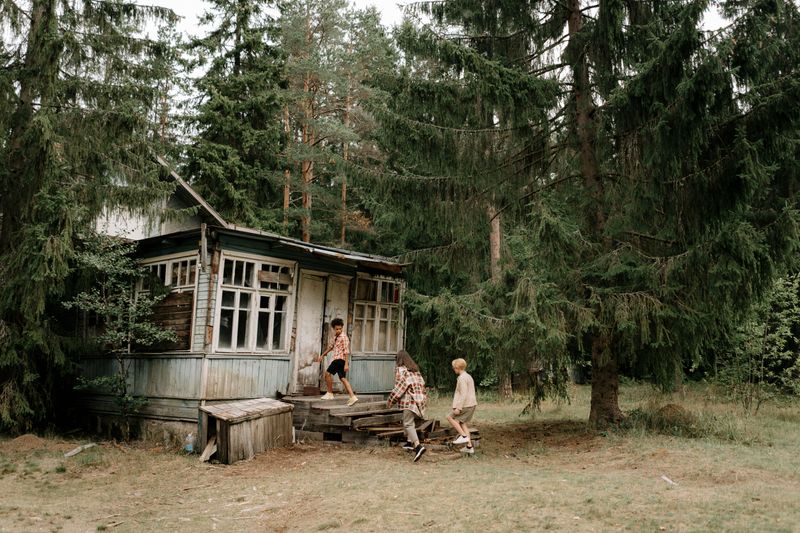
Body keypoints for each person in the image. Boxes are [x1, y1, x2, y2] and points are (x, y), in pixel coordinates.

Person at [387, 350, 428, 462]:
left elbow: (399, 389)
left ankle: (418, 446)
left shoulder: (401, 371)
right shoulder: (416, 371)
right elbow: (423, 387)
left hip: (409, 402)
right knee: (410, 421)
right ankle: (409, 443)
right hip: (419, 401)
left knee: (408, 423)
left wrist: (390, 401)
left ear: (399, 359)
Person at [316, 318, 358, 406]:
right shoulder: (335, 337)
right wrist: (322, 355)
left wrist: (346, 364)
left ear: (342, 327)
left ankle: (329, 393)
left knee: (327, 374)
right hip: (339, 360)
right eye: (337, 329)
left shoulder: (344, 337)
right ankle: (352, 397)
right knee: (342, 378)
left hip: (340, 360)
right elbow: (331, 347)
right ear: (334, 329)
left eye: (340, 329)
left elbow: (346, 351)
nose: (338, 330)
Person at [446, 358, 477, 454]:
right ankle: (469, 447)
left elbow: (463, 394)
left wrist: (458, 408)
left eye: (454, 367)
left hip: (466, 405)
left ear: (457, 367)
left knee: (450, 417)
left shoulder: (462, 378)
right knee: (462, 423)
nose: (453, 369)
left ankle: (463, 436)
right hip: (471, 404)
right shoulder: (468, 376)